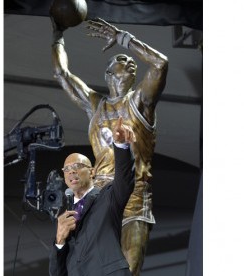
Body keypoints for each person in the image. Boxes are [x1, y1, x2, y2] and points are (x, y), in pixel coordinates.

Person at [51, 17, 168, 275]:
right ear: (108, 73)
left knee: (126, 270)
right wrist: (57, 34)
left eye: (131, 61)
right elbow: (61, 74)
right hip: (100, 199)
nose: (129, 61)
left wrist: (124, 40)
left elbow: (160, 63)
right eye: (121, 59)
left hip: (134, 198)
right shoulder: (96, 105)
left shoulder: (140, 102)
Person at [49, 117, 136, 276]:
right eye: (67, 169)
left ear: (92, 172)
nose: (72, 171)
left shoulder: (108, 197)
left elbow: (125, 179)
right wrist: (59, 241)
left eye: (77, 166)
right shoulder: (65, 216)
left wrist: (121, 146)